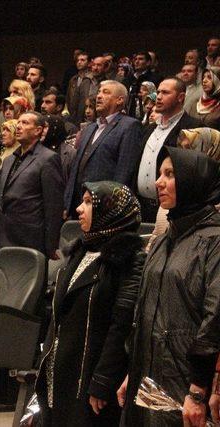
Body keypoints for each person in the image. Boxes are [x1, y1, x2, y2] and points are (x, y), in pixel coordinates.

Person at [120, 147, 220, 427]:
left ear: (193, 181)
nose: (158, 182)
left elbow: (214, 321)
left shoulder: (215, 241)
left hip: (185, 382)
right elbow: (144, 311)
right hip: (147, 377)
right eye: (159, 174)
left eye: (170, 174)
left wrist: (198, 391)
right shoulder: (164, 239)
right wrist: (133, 372)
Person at [37, 181, 144, 427]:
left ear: (110, 210)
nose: (78, 209)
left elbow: (122, 326)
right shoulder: (81, 251)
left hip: (90, 379)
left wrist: (104, 379)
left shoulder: (128, 258)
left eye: (88, 202)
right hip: (60, 370)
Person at [65, 81, 143, 219]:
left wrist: (114, 206)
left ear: (120, 100)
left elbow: (124, 170)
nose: (99, 96)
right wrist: (67, 202)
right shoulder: (89, 128)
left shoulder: (129, 126)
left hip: (104, 206)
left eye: (106, 92)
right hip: (78, 203)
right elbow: (76, 167)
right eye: (99, 92)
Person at [0, 112, 63, 258]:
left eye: (25, 123)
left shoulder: (48, 158)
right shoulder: (9, 159)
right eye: (19, 122)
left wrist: (51, 244)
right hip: (3, 236)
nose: (19, 126)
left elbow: (53, 205)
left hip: (30, 237)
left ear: (38, 130)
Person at [135, 77, 203, 222]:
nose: (158, 97)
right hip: (141, 206)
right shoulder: (150, 128)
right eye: (158, 92)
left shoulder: (193, 128)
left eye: (165, 93)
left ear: (180, 97)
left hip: (171, 209)